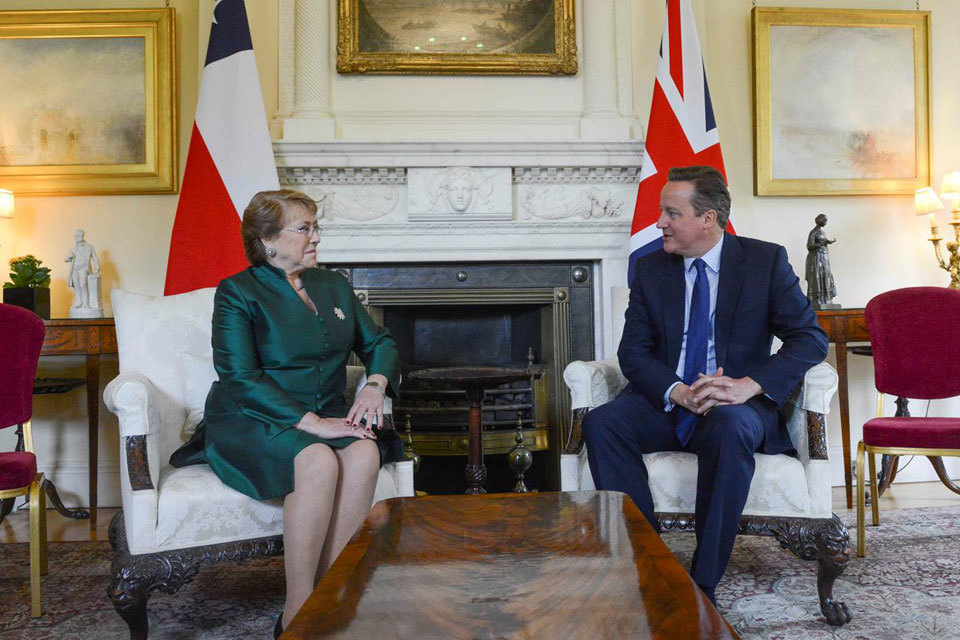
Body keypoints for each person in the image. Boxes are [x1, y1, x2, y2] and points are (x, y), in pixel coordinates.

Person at [582, 166, 828, 604]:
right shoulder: (652, 268)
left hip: (735, 406)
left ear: (708, 218)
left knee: (730, 427)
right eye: (661, 211)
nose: (660, 222)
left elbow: (809, 338)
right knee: (602, 424)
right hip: (670, 400)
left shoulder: (764, 262)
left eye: (671, 212)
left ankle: (703, 584)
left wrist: (748, 385)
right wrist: (677, 390)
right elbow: (633, 353)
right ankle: (650, 564)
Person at [169, 189, 402, 638]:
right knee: (316, 460)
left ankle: (331, 596)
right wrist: (311, 424)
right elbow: (239, 376)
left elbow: (379, 343)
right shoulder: (238, 292)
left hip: (327, 414)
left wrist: (374, 385)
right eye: (304, 228)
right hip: (253, 417)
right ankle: (297, 613)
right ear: (268, 241)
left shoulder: (333, 285)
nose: (315, 237)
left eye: (316, 227)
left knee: (364, 455)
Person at [804, 214, 837, 308]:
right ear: (819, 220)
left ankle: (827, 298)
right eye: (824, 220)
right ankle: (818, 298)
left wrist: (827, 242)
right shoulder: (813, 232)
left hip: (825, 256)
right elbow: (809, 246)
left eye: (826, 221)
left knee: (826, 275)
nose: (825, 223)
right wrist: (820, 244)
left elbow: (823, 241)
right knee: (817, 277)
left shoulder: (822, 232)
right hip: (816, 257)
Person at [65, 228, 100, 309]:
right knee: (76, 285)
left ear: (81, 236)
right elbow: (67, 259)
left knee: (83, 285)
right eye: (75, 236)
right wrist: (69, 258)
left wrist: (97, 268)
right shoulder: (73, 247)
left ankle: (85, 303)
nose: (75, 237)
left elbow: (94, 258)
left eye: (77, 236)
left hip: (84, 268)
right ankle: (78, 302)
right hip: (75, 268)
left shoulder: (89, 247)